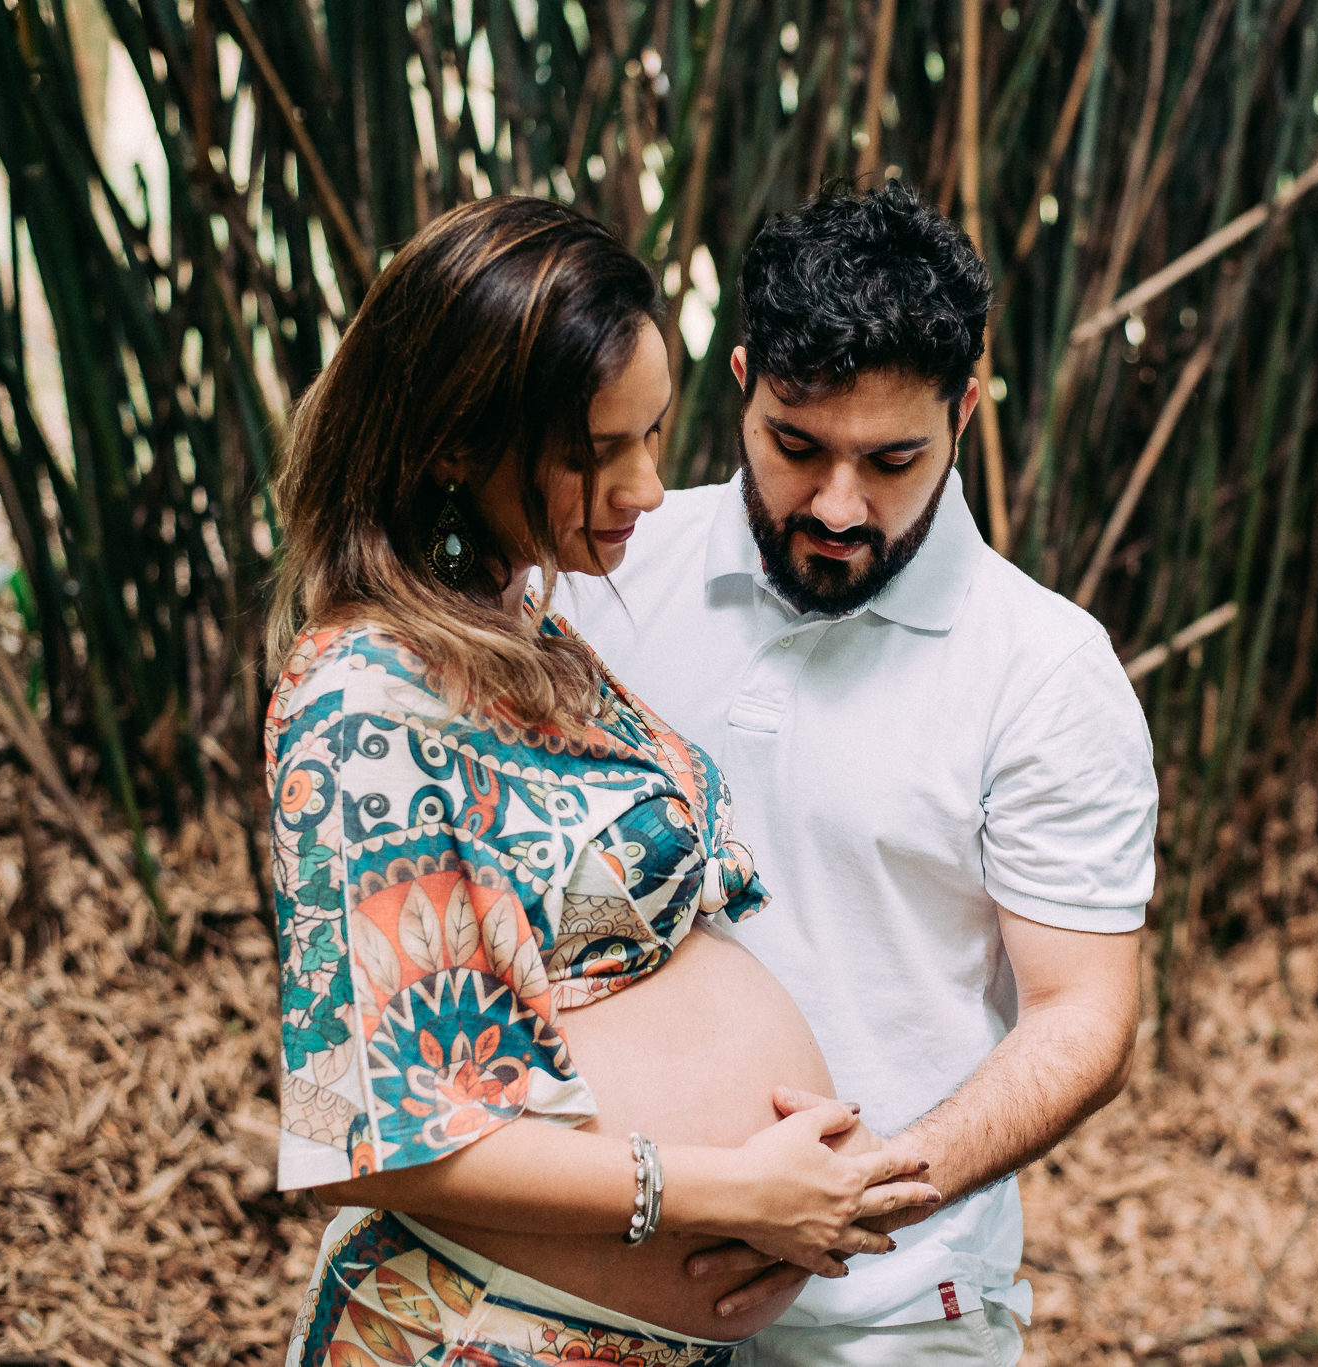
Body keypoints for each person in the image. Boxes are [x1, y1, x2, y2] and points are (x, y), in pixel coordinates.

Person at [265, 196, 942, 1367]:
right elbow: (373, 1140)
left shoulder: (518, 632)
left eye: (655, 433)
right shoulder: (364, 700)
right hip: (477, 1337)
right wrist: (715, 1186)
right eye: (596, 451)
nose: (642, 488)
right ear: (455, 443)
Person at [557, 182, 1158, 1364]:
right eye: (796, 446)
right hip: (587, 1300)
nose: (838, 505)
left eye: (892, 459)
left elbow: (1082, 1011)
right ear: (739, 384)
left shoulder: (1043, 670)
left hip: (884, 1317)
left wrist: (869, 1187)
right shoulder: (599, 574)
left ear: (966, 411)